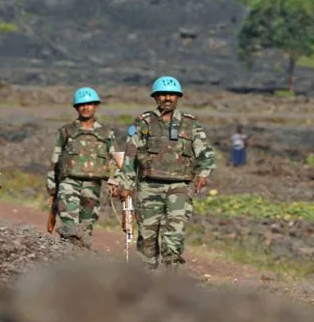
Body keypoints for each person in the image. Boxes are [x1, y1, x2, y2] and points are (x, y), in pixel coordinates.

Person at [112, 76, 216, 269]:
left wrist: (204, 173)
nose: (167, 98)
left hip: (179, 188)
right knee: (147, 239)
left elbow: (205, 152)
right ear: (155, 98)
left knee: (174, 237)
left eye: (171, 95)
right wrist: (125, 185)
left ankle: (171, 283)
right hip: (148, 187)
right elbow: (130, 156)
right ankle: (146, 284)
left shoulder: (190, 124)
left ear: (178, 98)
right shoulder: (143, 122)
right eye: (163, 95)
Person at [46, 87, 119, 247]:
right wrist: (51, 183)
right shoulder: (66, 131)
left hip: (93, 185)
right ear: (76, 107)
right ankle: (67, 254)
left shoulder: (106, 132)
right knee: (68, 222)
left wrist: (116, 180)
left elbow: (115, 158)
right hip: (69, 182)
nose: (86, 108)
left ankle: (82, 258)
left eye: (90, 104)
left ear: (96, 106)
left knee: (87, 225)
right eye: (82, 105)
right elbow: (56, 156)